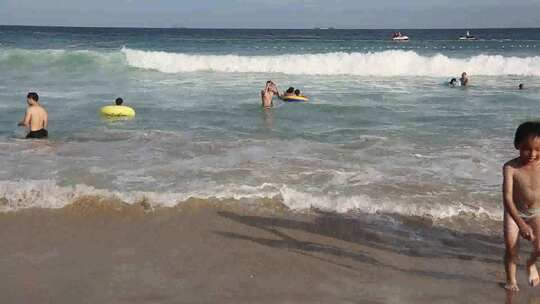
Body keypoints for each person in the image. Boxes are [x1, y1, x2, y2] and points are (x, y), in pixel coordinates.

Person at [503, 121, 540, 291]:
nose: (532, 154)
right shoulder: (511, 168)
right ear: (517, 145)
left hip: (536, 213)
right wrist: (521, 223)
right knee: (511, 248)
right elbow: (507, 198)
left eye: (538, 150)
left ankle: (531, 264)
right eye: (527, 149)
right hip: (514, 213)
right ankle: (511, 281)